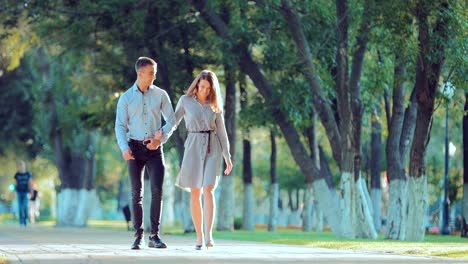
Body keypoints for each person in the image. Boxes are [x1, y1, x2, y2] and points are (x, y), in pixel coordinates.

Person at [115, 56, 176, 250]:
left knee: (157, 191)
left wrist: (161, 138)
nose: (154, 77)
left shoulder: (160, 95)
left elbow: (172, 120)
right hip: (134, 149)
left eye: (155, 73)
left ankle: (154, 236)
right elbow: (120, 126)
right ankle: (138, 236)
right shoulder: (126, 98)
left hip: (155, 149)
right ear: (140, 73)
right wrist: (124, 148)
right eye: (151, 73)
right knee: (136, 194)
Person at [174, 70, 233, 250]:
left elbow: (222, 132)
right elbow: (173, 122)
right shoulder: (185, 101)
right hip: (192, 145)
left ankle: (209, 235)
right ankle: (199, 237)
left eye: (208, 88)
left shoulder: (215, 105)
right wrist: (159, 136)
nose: (205, 91)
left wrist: (227, 156)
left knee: (208, 188)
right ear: (197, 85)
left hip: (212, 146)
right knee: (195, 192)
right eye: (202, 87)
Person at [14, 161, 32, 227]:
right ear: (18, 167)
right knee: (20, 207)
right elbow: (15, 184)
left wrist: (31, 191)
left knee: (25, 206)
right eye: (20, 166)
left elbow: (30, 183)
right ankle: (21, 221)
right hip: (19, 192)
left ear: (24, 166)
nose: (21, 167)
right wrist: (14, 192)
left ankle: (25, 219)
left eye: (22, 165)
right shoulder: (17, 174)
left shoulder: (28, 174)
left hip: (25, 192)